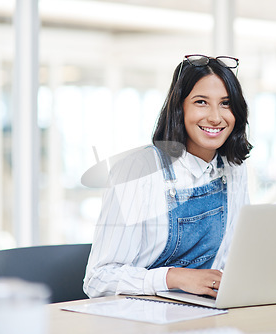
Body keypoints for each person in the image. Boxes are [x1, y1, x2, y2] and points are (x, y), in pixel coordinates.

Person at [83, 54, 252, 299]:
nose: (216, 117)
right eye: (201, 102)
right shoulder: (137, 171)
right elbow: (98, 280)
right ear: (179, 107)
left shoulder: (234, 168)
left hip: (205, 312)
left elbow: (233, 261)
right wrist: (174, 277)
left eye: (225, 103)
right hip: (140, 317)